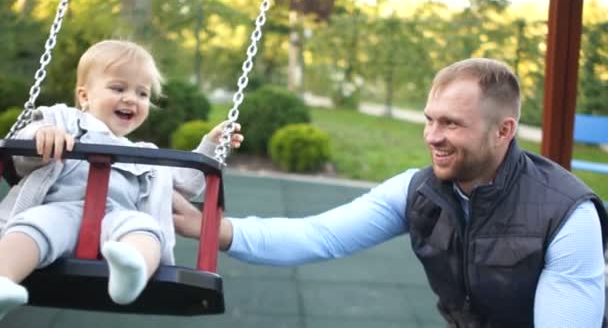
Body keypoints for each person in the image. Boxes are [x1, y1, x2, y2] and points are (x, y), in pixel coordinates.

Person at [173, 57, 608, 327]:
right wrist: (211, 227)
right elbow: (318, 236)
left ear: (504, 130)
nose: (432, 136)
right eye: (429, 119)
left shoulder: (566, 216)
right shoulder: (420, 191)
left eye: (451, 123)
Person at [0, 39, 243, 320]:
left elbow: (187, 182)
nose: (131, 98)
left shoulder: (145, 154)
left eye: (142, 94)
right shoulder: (61, 120)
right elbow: (21, 154)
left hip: (118, 220)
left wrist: (211, 145)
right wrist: (43, 136)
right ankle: (3, 281)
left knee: (147, 230)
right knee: (31, 228)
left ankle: (131, 270)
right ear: (84, 96)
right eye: (118, 88)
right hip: (58, 209)